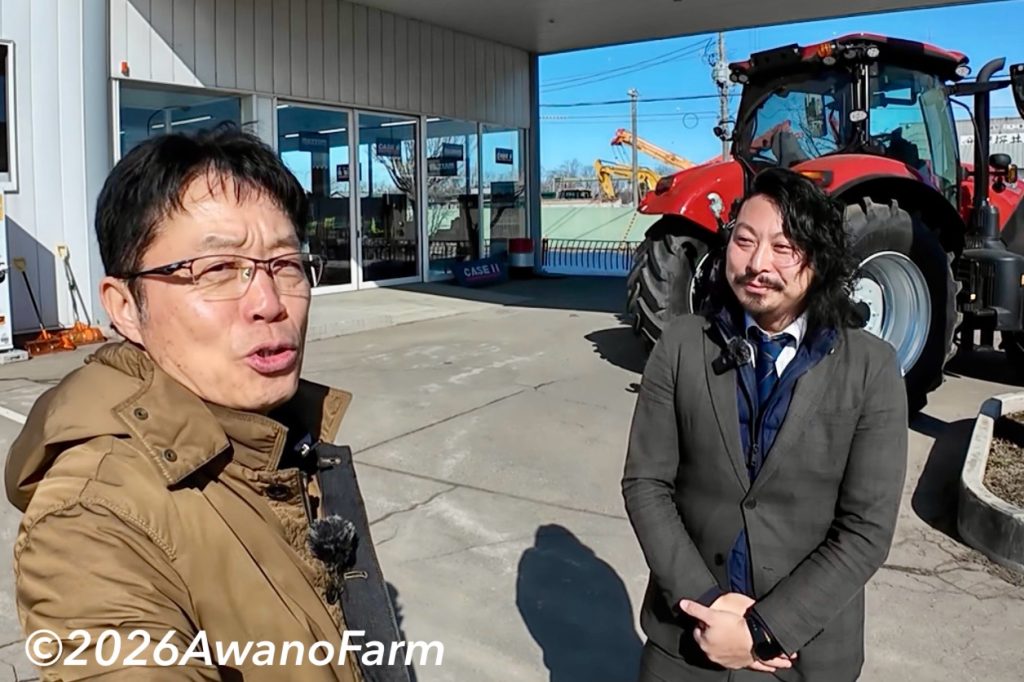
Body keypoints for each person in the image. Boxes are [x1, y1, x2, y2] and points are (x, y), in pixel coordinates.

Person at [5, 125, 409, 680]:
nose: (269, 303)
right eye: (217, 270)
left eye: (286, 265)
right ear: (125, 308)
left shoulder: (279, 436)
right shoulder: (90, 519)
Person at [621, 167, 908, 681]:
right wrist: (709, 607)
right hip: (685, 640)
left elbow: (866, 529)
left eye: (783, 247)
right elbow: (646, 484)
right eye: (744, 241)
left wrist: (761, 630)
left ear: (819, 257)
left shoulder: (872, 368)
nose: (757, 264)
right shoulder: (680, 346)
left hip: (802, 652)